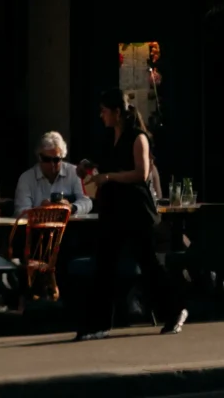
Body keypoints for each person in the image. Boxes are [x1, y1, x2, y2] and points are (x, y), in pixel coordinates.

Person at [76, 89, 186, 341]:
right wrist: (87, 168)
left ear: (117, 112)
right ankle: (98, 323)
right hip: (112, 209)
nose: (101, 115)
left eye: (105, 110)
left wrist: (109, 177)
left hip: (135, 209)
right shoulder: (108, 138)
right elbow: (100, 165)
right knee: (104, 264)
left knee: (148, 264)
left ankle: (175, 310)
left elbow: (141, 173)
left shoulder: (138, 138)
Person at [14, 132, 93, 217]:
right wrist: (42, 210)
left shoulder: (74, 172)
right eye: (46, 159)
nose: (51, 164)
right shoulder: (26, 178)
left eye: (56, 160)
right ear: (39, 157)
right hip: (38, 228)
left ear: (62, 157)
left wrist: (71, 208)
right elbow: (21, 211)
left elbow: (87, 201)